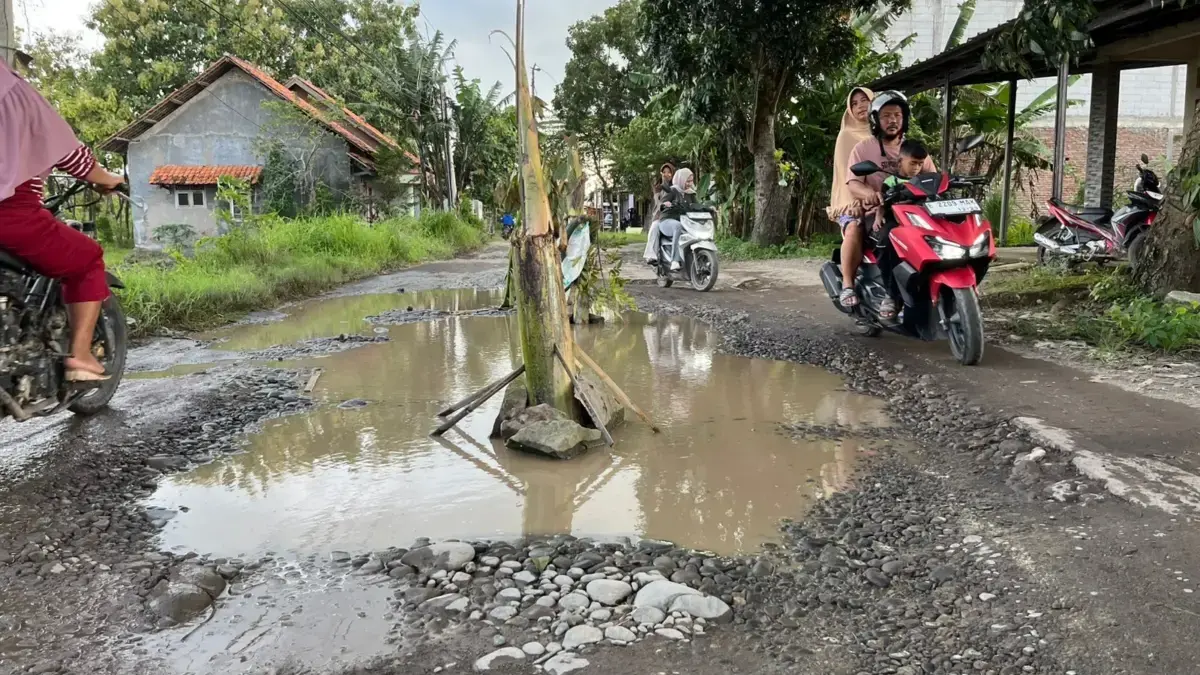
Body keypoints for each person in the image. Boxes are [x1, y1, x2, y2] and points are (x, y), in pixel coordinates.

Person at [0, 59, 124, 382]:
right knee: (87, 258)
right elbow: (63, 148)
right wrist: (103, 177)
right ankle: (81, 356)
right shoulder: (12, 91)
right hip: (11, 214)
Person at [842, 90, 936, 319]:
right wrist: (870, 194)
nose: (893, 120)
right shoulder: (863, 148)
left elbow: (932, 177)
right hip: (879, 212)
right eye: (886, 116)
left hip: (914, 211)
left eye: (897, 115)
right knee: (888, 237)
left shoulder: (913, 148)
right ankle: (891, 295)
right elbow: (853, 183)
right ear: (875, 119)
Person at [827, 87, 874, 225]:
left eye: (864, 100)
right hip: (853, 203)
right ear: (850, 110)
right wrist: (854, 203)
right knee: (854, 229)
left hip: (881, 199)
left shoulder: (883, 134)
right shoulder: (846, 135)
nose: (860, 105)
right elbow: (844, 173)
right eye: (854, 104)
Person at [656, 167, 698, 271]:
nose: (689, 183)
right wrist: (665, 204)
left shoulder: (691, 193)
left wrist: (709, 208)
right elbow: (661, 202)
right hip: (666, 221)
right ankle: (675, 261)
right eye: (687, 181)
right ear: (681, 179)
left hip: (684, 221)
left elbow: (696, 206)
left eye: (691, 181)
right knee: (677, 226)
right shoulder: (673, 190)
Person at [643, 162, 675, 263]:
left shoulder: (677, 186)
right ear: (661, 174)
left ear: (673, 173)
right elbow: (659, 201)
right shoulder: (658, 187)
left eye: (669, 172)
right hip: (661, 216)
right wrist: (664, 204)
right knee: (655, 227)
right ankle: (651, 255)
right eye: (664, 172)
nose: (666, 174)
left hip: (676, 215)